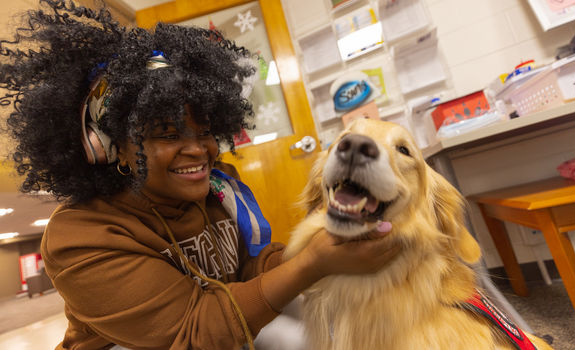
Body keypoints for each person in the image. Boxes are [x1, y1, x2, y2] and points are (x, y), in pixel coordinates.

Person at [0, 1, 399, 349]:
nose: (199, 150)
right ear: (110, 147)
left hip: (220, 324)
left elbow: (253, 269)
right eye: (168, 134)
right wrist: (312, 263)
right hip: (151, 344)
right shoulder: (80, 236)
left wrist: (327, 250)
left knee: (312, 327)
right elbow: (193, 333)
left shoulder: (219, 190)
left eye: (205, 131)